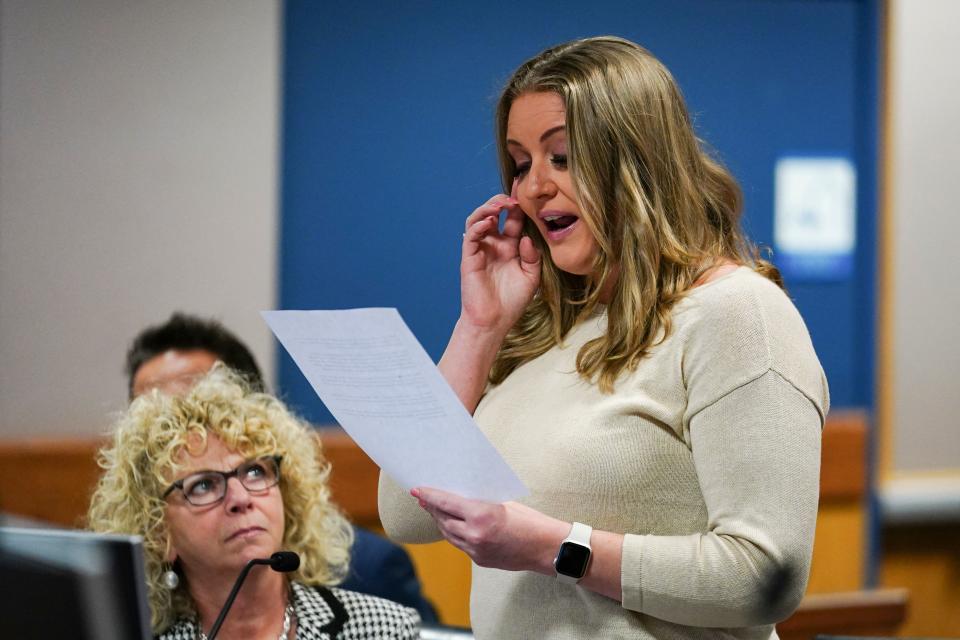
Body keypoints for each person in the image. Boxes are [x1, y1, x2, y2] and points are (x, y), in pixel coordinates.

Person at [378, 36, 828, 639]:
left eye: (561, 157)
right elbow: (406, 512)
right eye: (520, 163)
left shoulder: (738, 314)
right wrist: (479, 326)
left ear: (638, 162)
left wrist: (555, 548)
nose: (534, 187)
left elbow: (765, 576)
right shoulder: (540, 331)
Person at [124, 312, 438, 623]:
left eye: (255, 472)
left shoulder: (373, 597)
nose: (180, 423)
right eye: (203, 485)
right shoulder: (124, 614)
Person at [88, 365, 421, 639]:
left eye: (255, 472)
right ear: (160, 533)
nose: (240, 498)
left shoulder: (383, 630)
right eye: (203, 485)